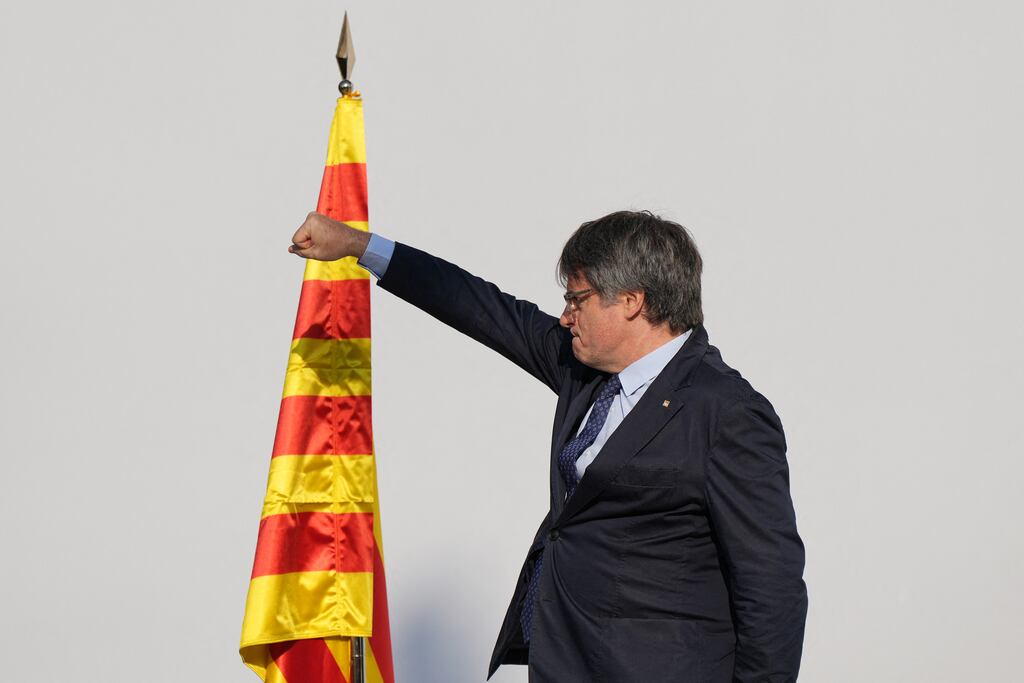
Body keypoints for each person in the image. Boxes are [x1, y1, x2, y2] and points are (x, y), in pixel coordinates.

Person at [289, 210, 808, 682]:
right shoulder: (585, 371)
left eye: (577, 300)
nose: (565, 316)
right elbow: (481, 307)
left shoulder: (728, 413)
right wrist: (361, 246)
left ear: (632, 302)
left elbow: (771, 585)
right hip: (563, 661)